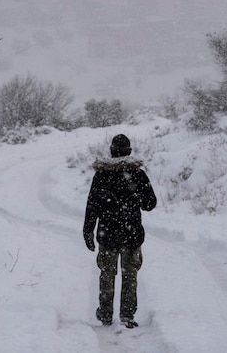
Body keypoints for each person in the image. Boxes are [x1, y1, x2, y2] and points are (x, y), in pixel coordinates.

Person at [83, 133, 157, 328]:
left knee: (107, 274)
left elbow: (92, 206)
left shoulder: (101, 175)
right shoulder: (137, 174)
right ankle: (127, 315)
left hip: (107, 234)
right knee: (130, 275)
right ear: (129, 151)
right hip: (131, 234)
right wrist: (136, 196)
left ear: (111, 152)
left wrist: (88, 231)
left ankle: (106, 314)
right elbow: (150, 204)